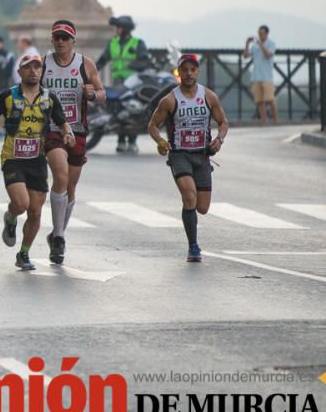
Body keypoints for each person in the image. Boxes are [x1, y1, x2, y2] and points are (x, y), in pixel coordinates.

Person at [0, 53, 74, 271]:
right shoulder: (8, 96)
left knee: (35, 212)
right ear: (20, 72)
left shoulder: (49, 98)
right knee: (21, 204)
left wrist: (68, 133)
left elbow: (62, 122)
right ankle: (10, 218)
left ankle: (24, 253)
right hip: (13, 158)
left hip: (37, 159)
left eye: (37, 67)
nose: (33, 71)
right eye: (28, 67)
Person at [148, 53, 229, 263]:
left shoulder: (209, 97)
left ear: (198, 72)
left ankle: (191, 226)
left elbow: (223, 122)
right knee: (189, 196)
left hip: (202, 155)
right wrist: (160, 141)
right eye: (185, 70)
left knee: (202, 207)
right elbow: (152, 125)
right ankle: (193, 246)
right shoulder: (170, 100)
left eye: (193, 70)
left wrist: (219, 140)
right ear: (179, 73)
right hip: (179, 154)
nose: (189, 74)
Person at [41, 21, 106, 265]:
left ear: (73, 41)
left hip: (78, 129)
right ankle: (59, 239)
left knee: (70, 186)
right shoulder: (43, 63)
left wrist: (92, 94)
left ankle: (57, 233)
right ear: (51, 40)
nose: (60, 42)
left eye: (65, 38)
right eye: (56, 37)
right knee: (60, 173)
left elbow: (102, 94)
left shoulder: (85, 64)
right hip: (52, 129)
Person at [97, 15, 150, 153]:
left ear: (126, 29)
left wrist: (136, 65)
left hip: (133, 82)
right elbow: (103, 60)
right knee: (118, 110)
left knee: (132, 111)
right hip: (118, 82)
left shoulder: (138, 43)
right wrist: (91, 71)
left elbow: (145, 61)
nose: (117, 30)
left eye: (119, 27)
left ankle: (132, 141)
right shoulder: (112, 43)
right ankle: (120, 141)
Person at [243, 25, 278, 125]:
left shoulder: (271, 44)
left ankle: (276, 121)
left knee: (270, 100)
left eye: (262, 33)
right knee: (259, 101)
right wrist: (247, 44)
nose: (260, 35)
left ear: (266, 34)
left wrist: (261, 45)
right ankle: (264, 121)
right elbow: (245, 56)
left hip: (267, 77)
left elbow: (268, 55)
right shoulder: (255, 46)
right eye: (259, 33)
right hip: (256, 76)